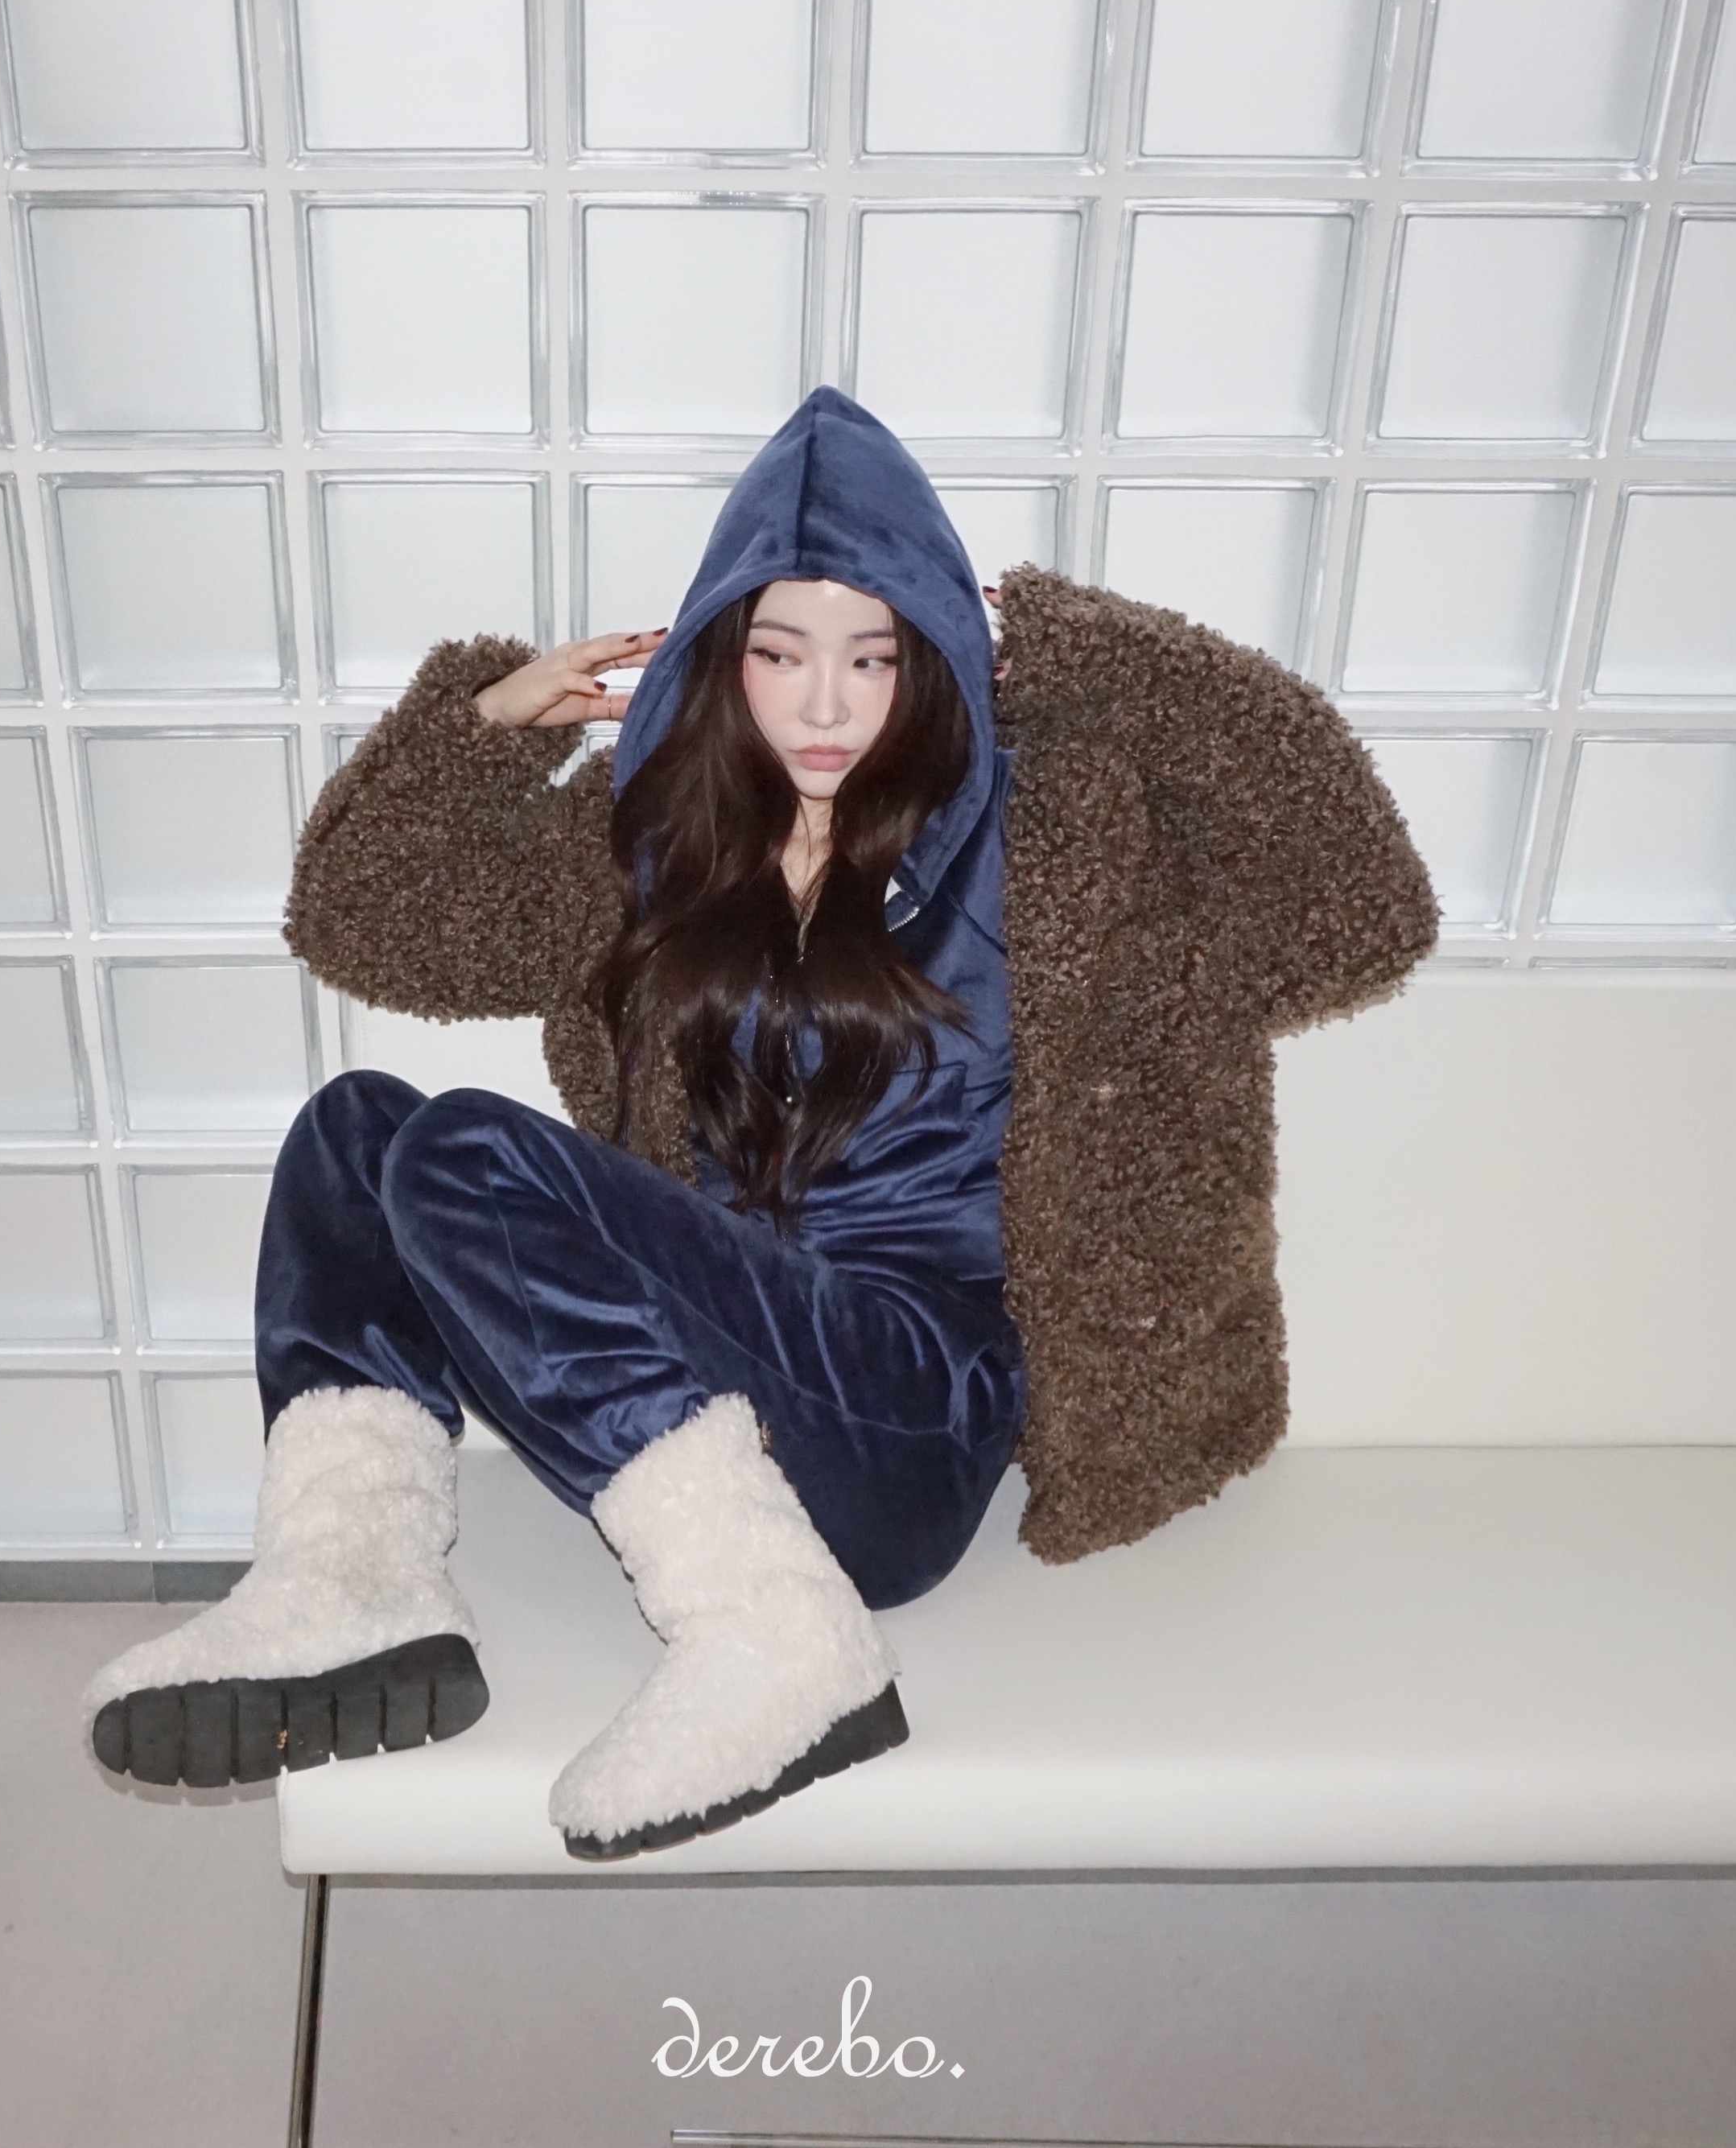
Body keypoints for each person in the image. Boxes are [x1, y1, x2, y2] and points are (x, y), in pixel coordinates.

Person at [85, 388, 1031, 1862]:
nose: (825, 707)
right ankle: (356, 1572)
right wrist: (483, 727)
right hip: (722, 1384)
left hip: (907, 1416)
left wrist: (1082, 646)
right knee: (358, 1131)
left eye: (875, 657)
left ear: (940, 657)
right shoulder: (661, 849)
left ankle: (779, 1628)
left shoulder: (1030, 844)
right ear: (720, 654)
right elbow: (355, 917)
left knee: (464, 1147)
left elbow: (1356, 895)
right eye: (780, 654)